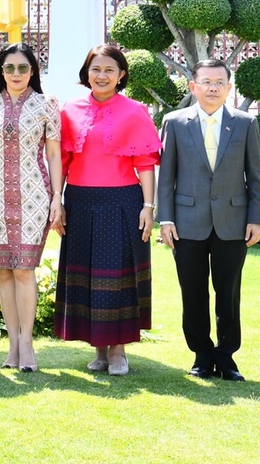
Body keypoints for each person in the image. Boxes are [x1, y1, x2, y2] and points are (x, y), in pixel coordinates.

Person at [55, 43, 161, 376]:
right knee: (87, 275)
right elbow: (62, 160)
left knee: (118, 277)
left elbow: (145, 163)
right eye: (96, 69)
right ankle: (99, 350)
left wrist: (148, 206)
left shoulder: (134, 111)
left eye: (109, 70)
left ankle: (119, 351)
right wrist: (57, 201)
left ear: (121, 75)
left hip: (122, 202)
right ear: (87, 73)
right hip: (80, 201)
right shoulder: (69, 109)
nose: (101, 76)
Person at [157, 59, 260, 382]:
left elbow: (255, 176)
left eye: (219, 82)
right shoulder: (175, 122)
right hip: (187, 221)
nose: (213, 87)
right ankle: (202, 355)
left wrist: (256, 219)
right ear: (194, 87)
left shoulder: (245, 124)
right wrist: (166, 220)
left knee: (228, 292)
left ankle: (227, 357)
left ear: (229, 88)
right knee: (192, 292)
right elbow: (167, 178)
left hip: (233, 221)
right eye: (206, 81)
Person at [0, 42, 64, 373]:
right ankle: (12, 344)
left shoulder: (46, 105)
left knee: (24, 269)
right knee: (5, 271)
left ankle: (27, 344)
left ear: (33, 71)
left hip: (34, 195)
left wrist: (57, 196)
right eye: (9, 68)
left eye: (23, 68)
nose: (16, 74)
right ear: (1, 71)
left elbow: (54, 154)